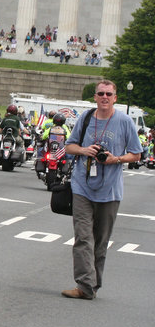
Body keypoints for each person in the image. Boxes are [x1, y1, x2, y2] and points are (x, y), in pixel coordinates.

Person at [62, 80, 143, 300]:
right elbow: (69, 146)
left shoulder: (124, 121)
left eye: (109, 94)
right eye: (100, 93)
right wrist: (84, 150)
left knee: (100, 241)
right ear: (95, 97)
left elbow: (136, 154)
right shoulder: (86, 118)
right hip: (82, 186)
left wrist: (115, 159)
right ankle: (85, 285)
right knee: (83, 237)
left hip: (110, 191)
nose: (104, 97)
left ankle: (92, 286)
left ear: (115, 97)